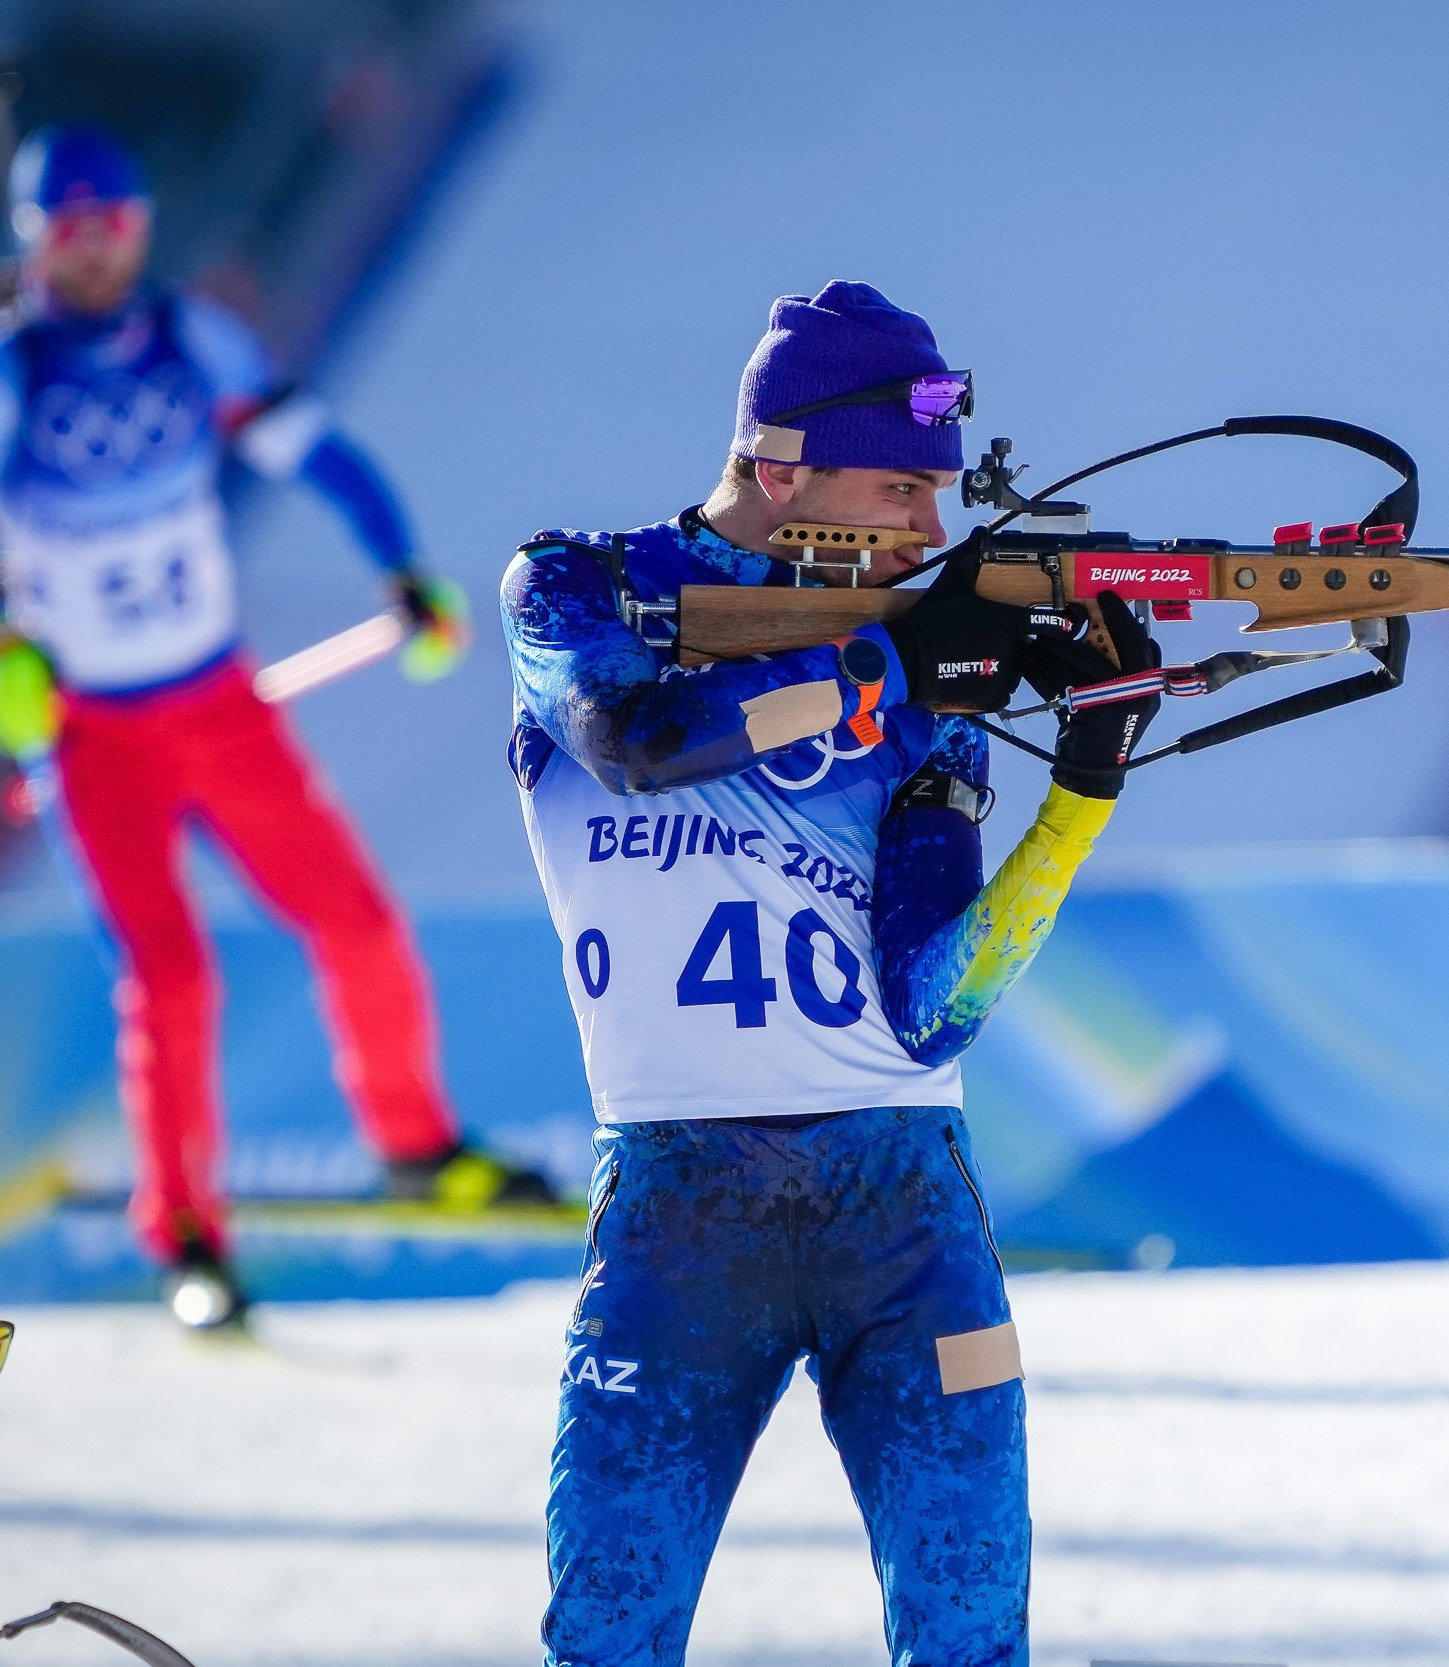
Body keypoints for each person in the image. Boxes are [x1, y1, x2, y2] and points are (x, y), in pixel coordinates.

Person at [503, 278, 1159, 1667]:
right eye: (899, 488)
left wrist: (1084, 787)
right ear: (778, 458)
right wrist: (882, 663)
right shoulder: (580, 586)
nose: (931, 531)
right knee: (607, 1639)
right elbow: (635, 731)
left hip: (906, 1208)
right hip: (680, 1215)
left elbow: (934, 1010)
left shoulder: (930, 678)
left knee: (974, 1638)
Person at [0, 124, 552, 1331]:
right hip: (97, 739)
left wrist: (397, 563)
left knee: (353, 919)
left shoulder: (191, 339)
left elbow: (319, 450)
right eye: (71, 231)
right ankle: (188, 1236)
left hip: (217, 704)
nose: (97, 254)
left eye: (117, 226)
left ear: (143, 228)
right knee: (171, 978)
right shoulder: (17, 374)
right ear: (34, 238)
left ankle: (414, 1142)